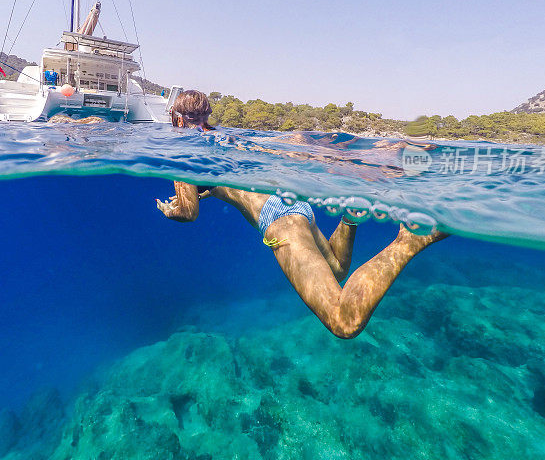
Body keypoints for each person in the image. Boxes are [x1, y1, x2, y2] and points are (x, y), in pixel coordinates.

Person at [157, 90, 447, 339]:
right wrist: (206, 192)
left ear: (179, 119)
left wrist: (173, 211)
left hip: (278, 223)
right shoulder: (223, 137)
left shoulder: (184, 150)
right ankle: (350, 217)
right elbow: (227, 183)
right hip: (292, 203)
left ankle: (408, 241)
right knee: (336, 269)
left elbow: (189, 213)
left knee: (343, 321)